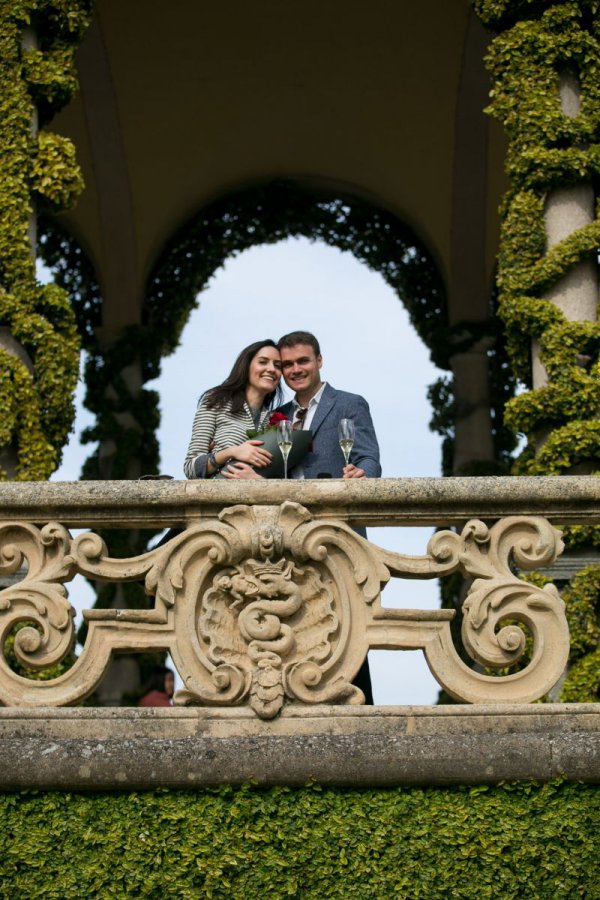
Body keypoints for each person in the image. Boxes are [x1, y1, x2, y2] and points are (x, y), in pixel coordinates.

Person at [225, 330, 381, 703]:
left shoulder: (349, 403)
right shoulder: (276, 416)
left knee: (346, 631)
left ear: (319, 361)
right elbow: (268, 469)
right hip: (285, 544)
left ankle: (359, 718)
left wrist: (364, 473)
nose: (295, 370)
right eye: (288, 364)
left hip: (334, 533)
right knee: (299, 633)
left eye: (303, 362)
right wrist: (251, 479)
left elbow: (369, 457)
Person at [183, 339, 283, 479]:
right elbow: (191, 468)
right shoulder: (216, 401)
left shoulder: (276, 419)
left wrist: (257, 480)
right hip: (218, 497)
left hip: (257, 499)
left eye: (277, 366)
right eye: (263, 362)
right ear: (247, 366)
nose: (272, 369)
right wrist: (232, 452)